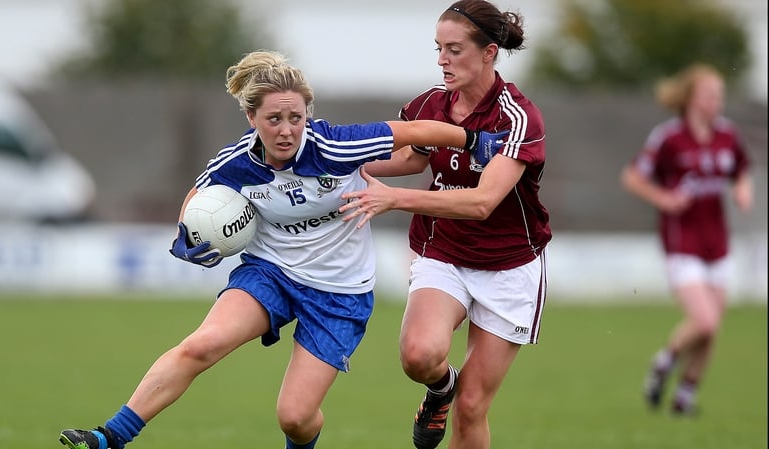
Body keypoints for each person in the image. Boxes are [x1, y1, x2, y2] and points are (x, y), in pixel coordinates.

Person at [56, 50, 508, 449]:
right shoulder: (235, 162)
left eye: (297, 118)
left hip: (339, 295)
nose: (288, 130)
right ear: (252, 120)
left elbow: (413, 130)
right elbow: (197, 202)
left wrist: (475, 142)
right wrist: (190, 240)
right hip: (270, 273)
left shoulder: (333, 144)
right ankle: (109, 436)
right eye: (275, 120)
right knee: (202, 345)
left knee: (294, 417)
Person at [339, 2, 551, 448]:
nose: (442, 60)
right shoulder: (428, 105)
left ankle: (455, 399)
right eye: (438, 48)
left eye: (454, 49)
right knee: (418, 357)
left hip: (509, 266)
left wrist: (393, 199)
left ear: (489, 52)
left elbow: (482, 202)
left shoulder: (517, 117)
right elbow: (406, 159)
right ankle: (440, 389)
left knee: (473, 408)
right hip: (444, 253)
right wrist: (330, 161)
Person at [620, 63, 753, 415]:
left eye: (720, 95)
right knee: (705, 321)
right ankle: (664, 362)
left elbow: (742, 171)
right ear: (692, 97)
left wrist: (743, 191)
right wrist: (663, 199)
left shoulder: (728, 135)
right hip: (682, 244)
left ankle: (685, 398)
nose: (717, 101)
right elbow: (633, 177)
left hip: (718, 244)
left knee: (710, 331)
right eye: (710, 94)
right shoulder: (669, 138)